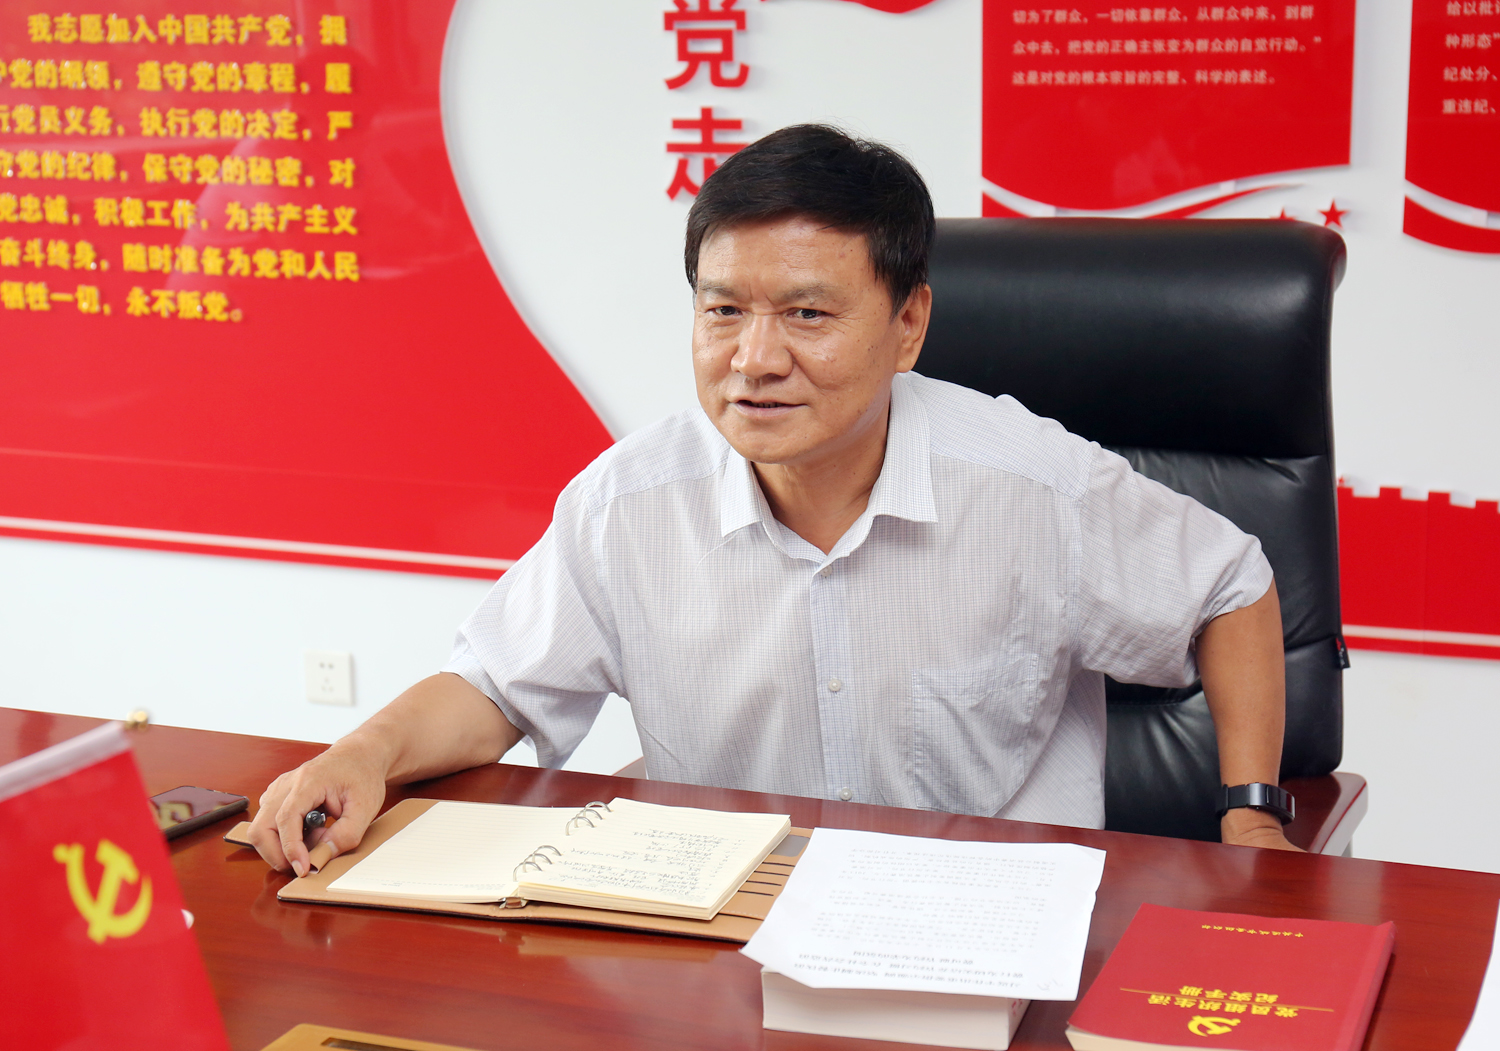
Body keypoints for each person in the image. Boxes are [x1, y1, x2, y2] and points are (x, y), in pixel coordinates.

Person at [249, 124, 1298, 876]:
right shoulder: (632, 501)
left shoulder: (1027, 482)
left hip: (980, 904)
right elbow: (496, 684)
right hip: (727, 909)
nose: (754, 360)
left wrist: (1250, 812)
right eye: (724, 311)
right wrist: (363, 753)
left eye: (807, 314)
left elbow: (1230, 586)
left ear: (909, 325)